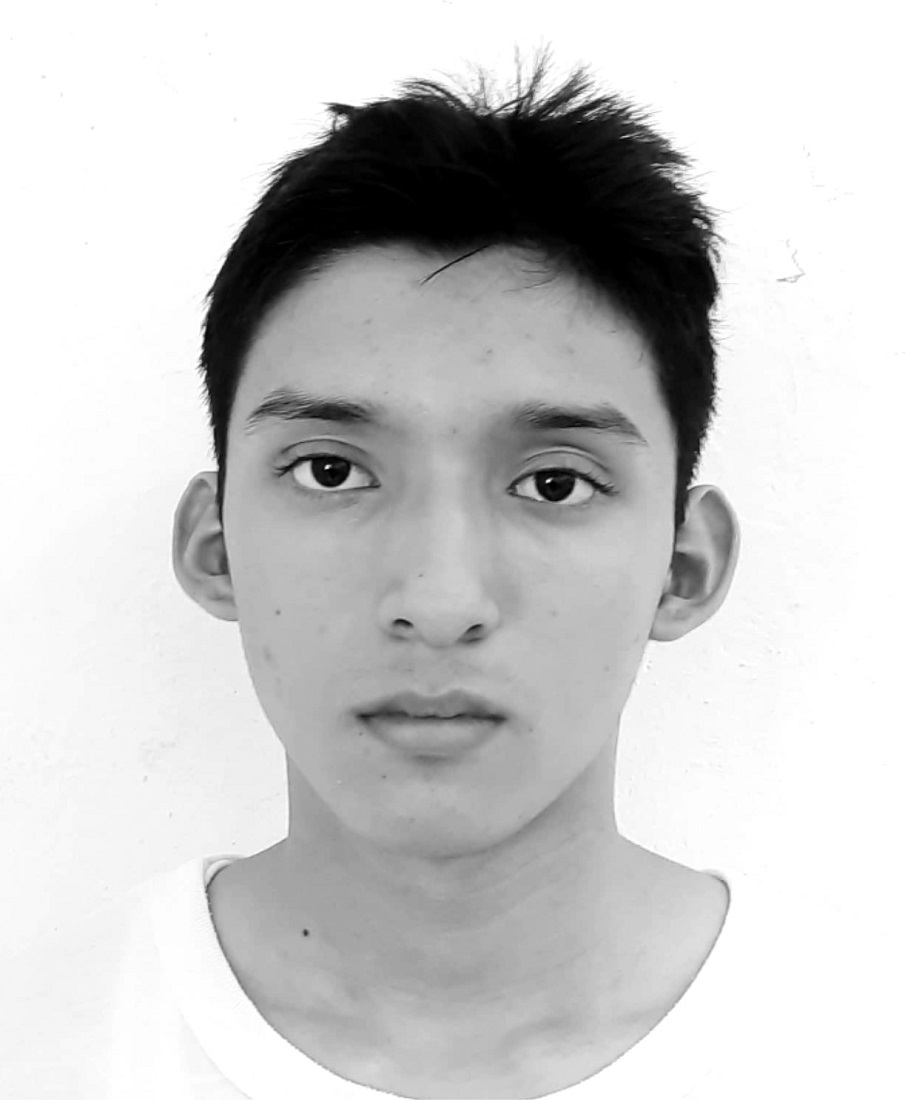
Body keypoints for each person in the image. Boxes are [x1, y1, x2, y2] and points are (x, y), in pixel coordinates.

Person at [13, 44, 833, 1099]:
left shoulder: (854, 1036)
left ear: (682, 566)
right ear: (214, 546)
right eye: (331, 470)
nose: (440, 601)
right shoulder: (36, 1043)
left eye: (552, 483)